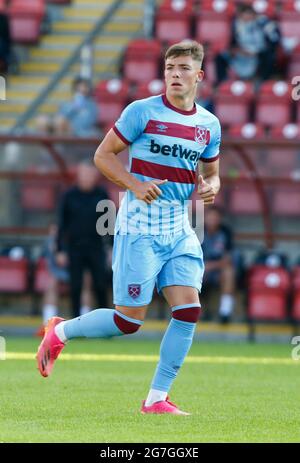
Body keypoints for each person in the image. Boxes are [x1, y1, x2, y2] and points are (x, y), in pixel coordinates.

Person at [37, 40, 221, 415]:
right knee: (127, 322)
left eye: (184, 68)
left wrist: (210, 187)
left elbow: (213, 175)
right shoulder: (142, 112)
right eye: (170, 68)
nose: (175, 74)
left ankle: (156, 398)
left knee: (188, 309)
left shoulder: (208, 125)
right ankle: (59, 331)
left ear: (199, 76)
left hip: (180, 229)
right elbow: (102, 156)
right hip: (139, 228)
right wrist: (135, 185)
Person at [55, 162, 111, 318]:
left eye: (90, 175)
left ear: (95, 177)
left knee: (100, 285)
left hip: (96, 247)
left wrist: (112, 248)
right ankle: (75, 324)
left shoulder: (102, 194)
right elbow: (61, 225)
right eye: (84, 174)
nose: (86, 178)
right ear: (78, 176)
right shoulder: (68, 196)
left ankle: (104, 324)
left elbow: (110, 224)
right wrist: (60, 250)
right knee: (75, 287)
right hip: (75, 248)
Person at [37, 224, 94, 335]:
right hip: (60, 273)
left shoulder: (80, 240)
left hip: (79, 270)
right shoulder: (51, 243)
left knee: (86, 281)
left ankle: (85, 326)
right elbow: (54, 265)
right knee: (51, 282)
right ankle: (48, 325)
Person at [215, 3, 280, 84]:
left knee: (269, 56)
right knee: (220, 56)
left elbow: (274, 40)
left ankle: (263, 82)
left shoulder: (263, 22)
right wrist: (235, 50)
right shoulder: (236, 23)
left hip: (258, 53)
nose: (246, 16)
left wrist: (256, 52)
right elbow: (233, 42)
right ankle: (222, 83)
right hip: (242, 52)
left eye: (249, 13)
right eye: (244, 14)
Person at [201, 205, 236, 323]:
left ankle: (225, 312)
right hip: (199, 269)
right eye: (210, 216)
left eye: (215, 217)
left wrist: (210, 266)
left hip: (217, 270)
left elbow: (228, 259)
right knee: (189, 273)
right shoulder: (197, 232)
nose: (212, 219)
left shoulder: (225, 232)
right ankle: (192, 310)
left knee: (229, 272)